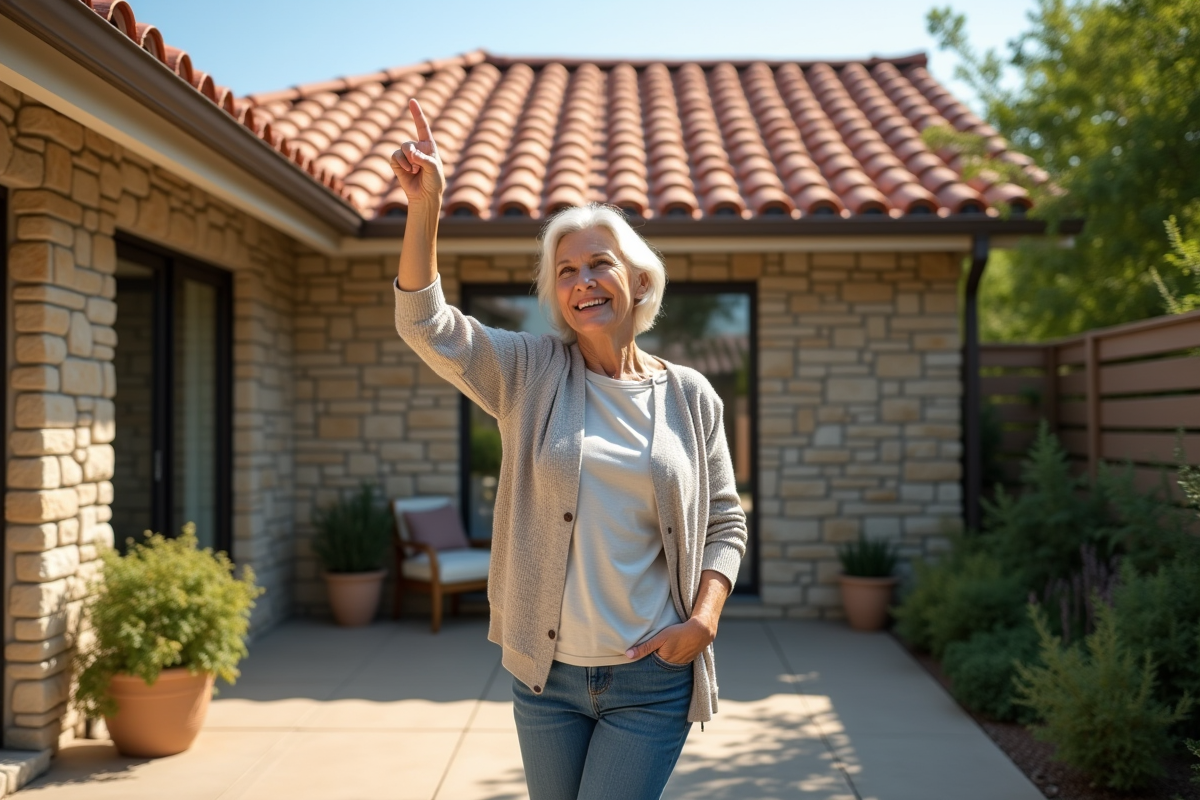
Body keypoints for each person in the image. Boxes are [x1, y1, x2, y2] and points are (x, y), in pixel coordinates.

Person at [390, 98, 747, 800]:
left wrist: (704, 617)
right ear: (557, 295)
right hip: (545, 679)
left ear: (638, 279)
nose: (583, 280)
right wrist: (425, 207)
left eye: (598, 264)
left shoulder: (692, 396)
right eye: (566, 271)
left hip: (650, 679)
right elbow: (425, 324)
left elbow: (726, 522)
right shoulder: (530, 371)